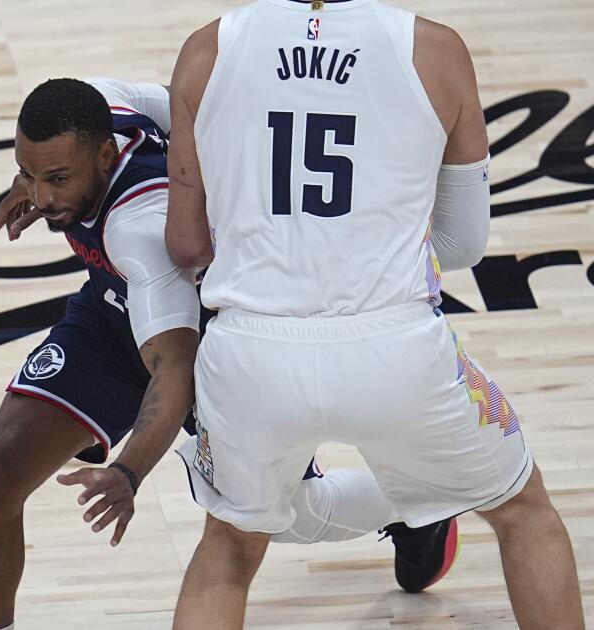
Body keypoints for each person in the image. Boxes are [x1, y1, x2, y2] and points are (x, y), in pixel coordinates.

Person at [0, 76, 452, 630]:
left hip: (212, 345)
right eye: (30, 173)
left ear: (105, 155)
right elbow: (188, 105)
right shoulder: (106, 104)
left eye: (58, 179)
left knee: (292, 516)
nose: (44, 198)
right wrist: (32, 182)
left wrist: (129, 471)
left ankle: (414, 504)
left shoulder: (139, 231)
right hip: (114, 314)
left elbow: (175, 368)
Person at [164, 2, 585, 628]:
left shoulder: (206, 50)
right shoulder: (436, 49)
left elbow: (186, 245)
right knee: (523, 512)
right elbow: (463, 243)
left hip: (250, 355)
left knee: (227, 548)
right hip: (396, 349)